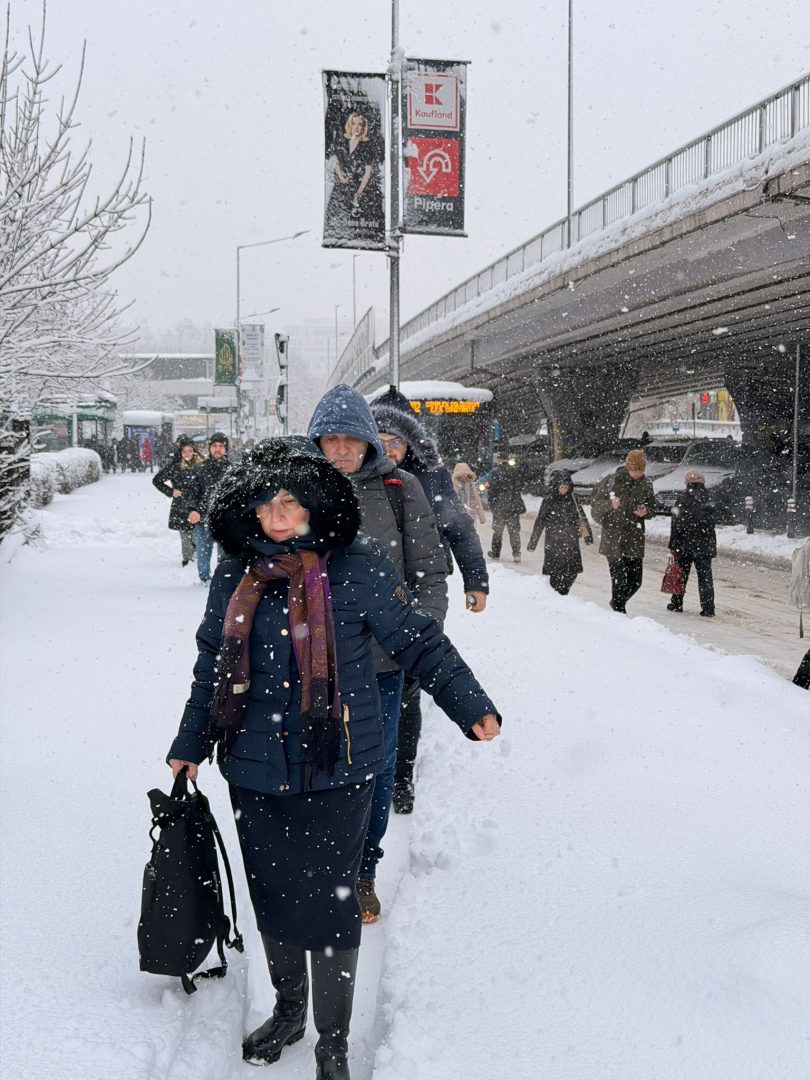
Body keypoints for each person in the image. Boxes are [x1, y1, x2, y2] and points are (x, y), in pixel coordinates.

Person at [166, 438, 501, 1079]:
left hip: (341, 765)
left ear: (317, 507)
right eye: (266, 504)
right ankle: (290, 1009)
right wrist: (189, 744)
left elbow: (419, 643)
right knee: (274, 896)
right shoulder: (235, 576)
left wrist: (470, 705)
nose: (278, 515)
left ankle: (332, 1041)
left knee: (330, 902)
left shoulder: (358, 567)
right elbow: (210, 665)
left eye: (291, 501)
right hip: (254, 766)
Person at [307, 385, 448, 922]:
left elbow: (430, 573)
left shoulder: (398, 487)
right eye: (330, 440)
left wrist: (418, 641)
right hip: (310, 659)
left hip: (382, 665)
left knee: (376, 766)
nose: (341, 450)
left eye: (351, 439)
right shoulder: (295, 489)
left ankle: (362, 872)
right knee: (315, 763)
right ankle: (324, 867)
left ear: (368, 439)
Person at [370, 394, 490, 816]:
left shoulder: (431, 479)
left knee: (407, 689)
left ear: (410, 445)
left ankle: (400, 776)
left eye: (395, 440)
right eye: (380, 437)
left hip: (416, 592)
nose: (388, 447)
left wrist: (476, 580)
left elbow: (459, 530)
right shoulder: (357, 475)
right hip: (367, 598)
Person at [590, 449, 656, 614]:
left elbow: (653, 508)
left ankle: (616, 603)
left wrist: (645, 511)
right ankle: (619, 613)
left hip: (634, 536)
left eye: (640, 470)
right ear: (627, 467)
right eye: (634, 469)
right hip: (614, 536)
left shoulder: (646, 484)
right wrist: (610, 505)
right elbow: (595, 503)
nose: (636, 473)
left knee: (635, 582)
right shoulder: (612, 481)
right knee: (619, 580)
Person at [526, 469, 593, 594]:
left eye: (566, 486)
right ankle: (557, 593)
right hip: (554, 541)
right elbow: (540, 521)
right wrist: (533, 542)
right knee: (555, 572)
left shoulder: (573, 499)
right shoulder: (549, 500)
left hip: (571, 541)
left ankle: (563, 591)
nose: (563, 489)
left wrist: (588, 535)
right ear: (556, 486)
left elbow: (582, 517)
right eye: (561, 486)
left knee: (572, 571)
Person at [665, 468, 717, 617]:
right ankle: (708, 608)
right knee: (705, 578)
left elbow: (676, 524)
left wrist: (673, 545)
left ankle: (676, 603)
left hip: (684, 545)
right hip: (704, 545)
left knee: (680, 575)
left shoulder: (682, 498)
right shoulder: (709, 497)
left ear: (687, 483)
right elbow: (713, 520)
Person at [326, 112, 384, 243]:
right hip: (341, 188)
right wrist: (341, 178)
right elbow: (335, 161)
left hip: (361, 189)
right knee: (337, 225)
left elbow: (367, 172)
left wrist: (359, 192)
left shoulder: (367, 146)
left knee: (363, 224)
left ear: (364, 128)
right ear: (349, 125)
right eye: (354, 124)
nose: (357, 128)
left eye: (360, 125)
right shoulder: (342, 141)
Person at [187, 432, 231, 584]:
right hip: (203, 519)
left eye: (220, 446)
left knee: (226, 554)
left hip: (225, 521)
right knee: (203, 554)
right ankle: (204, 579)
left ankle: (223, 579)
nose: (217, 449)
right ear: (209, 448)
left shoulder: (233, 470)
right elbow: (192, 493)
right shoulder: (201, 469)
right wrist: (193, 509)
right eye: (214, 446)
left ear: (226, 449)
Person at [152, 437, 203, 566]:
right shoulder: (175, 467)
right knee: (185, 533)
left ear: (194, 452)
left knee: (198, 533)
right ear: (180, 452)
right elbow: (157, 480)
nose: (187, 454)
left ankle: (198, 557)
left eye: (190, 451)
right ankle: (187, 560)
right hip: (181, 505)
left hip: (198, 504)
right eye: (184, 451)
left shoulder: (201, 466)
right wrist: (171, 492)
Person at [487, 453, 526, 562]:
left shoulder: (496, 472)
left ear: (499, 461)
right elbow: (519, 487)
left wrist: (493, 505)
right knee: (514, 532)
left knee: (498, 532)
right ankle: (516, 553)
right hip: (513, 507)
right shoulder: (515, 472)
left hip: (500, 507)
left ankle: (495, 553)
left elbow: (491, 491)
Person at [452, 461, 487, 526]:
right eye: (461, 475)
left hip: (468, 515)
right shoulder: (453, 485)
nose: (464, 477)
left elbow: (477, 500)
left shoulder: (471, 485)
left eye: (466, 475)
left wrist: (482, 517)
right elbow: (477, 500)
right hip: (460, 516)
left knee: (467, 534)